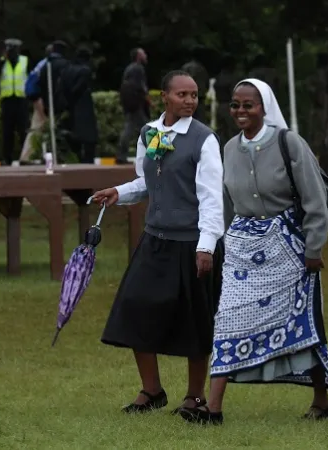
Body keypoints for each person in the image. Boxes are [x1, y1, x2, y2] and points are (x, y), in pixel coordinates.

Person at [179, 78, 328, 426]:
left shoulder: (289, 143)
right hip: (243, 249)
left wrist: (314, 248)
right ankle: (213, 408)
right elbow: (226, 204)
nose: (241, 111)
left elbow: (315, 200)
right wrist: (217, 245)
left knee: (303, 324)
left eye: (249, 105)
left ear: (264, 107)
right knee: (227, 319)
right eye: (236, 105)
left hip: (288, 248)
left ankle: (322, 400)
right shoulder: (229, 148)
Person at [91, 70, 224, 415]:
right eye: (182, 94)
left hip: (192, 243)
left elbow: (211, 199)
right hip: (155, 240)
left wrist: (206, 246)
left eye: (194, 95)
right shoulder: (149, 132)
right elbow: (145, 181)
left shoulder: (203, 139)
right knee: (135, 307)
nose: (190, 101)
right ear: (164, 96)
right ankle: (152, 391)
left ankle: (194, 397)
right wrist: (117, 193)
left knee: (195, 321)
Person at [0, 38, 29, 165]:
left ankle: (25, 157)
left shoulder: (25, 61)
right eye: (9, 49)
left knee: (23, 130)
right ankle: (6, 158)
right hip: (7, 100)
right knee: (7, 131)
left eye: (13, 49)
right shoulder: (2, 62)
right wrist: (2, 60)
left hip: (21, 100)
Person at [62, 46, 98, 163]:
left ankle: (78, 156)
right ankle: (88, 159)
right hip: (83, 106)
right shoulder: (85, 71)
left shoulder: (67, 70)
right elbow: (79, 87)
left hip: (70, 107)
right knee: (89, 136)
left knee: (74, 134)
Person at [20, 44, 53, 163]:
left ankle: (26, 156)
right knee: (44, 126)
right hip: (41, 99)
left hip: (36, 97)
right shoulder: (48, 65)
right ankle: (29, 157)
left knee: (37, 128)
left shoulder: (40, 64)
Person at [117, 48, 150, 164]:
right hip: (135, 102)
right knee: (146, 128)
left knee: (132, 127)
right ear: (138, 56)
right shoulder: (138, 68)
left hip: (129, 101)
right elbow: (141, 86)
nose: (146, 56)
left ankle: (122, 155)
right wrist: (148, 99)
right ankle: (157, 154)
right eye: (143, 54)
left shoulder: (129, 68)